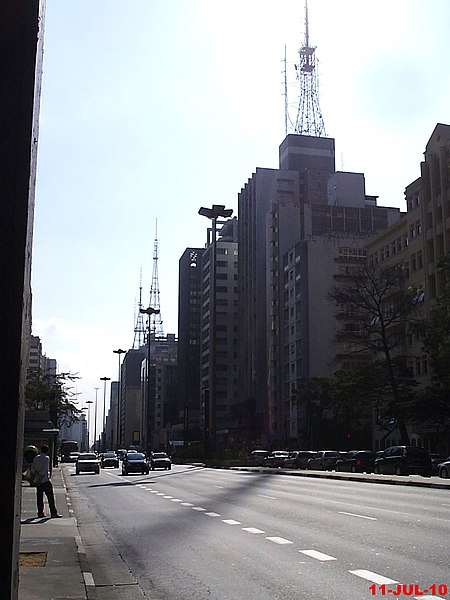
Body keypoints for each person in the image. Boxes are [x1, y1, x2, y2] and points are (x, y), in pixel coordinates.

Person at [31, 444, 62, 518]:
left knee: (39, 498)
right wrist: (40, 479)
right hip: (45, 481)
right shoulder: (46, 458)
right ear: (47, 451)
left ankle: (40, 513)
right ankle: (53, 513)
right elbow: (44, 470)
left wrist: (36, 478)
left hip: (37, 481)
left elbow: (32, 469)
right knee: (50, 498)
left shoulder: (36, 458)